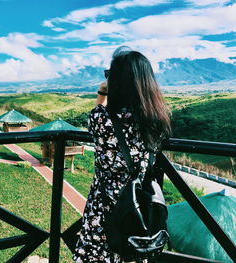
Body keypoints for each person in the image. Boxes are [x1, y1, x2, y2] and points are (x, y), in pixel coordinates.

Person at [73, 46, 171, 263]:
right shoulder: (157, 122)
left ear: (116, 83)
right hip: (139, 213)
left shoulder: (103, 120)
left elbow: (96, 116)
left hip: (104, 210)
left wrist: (102, 92)